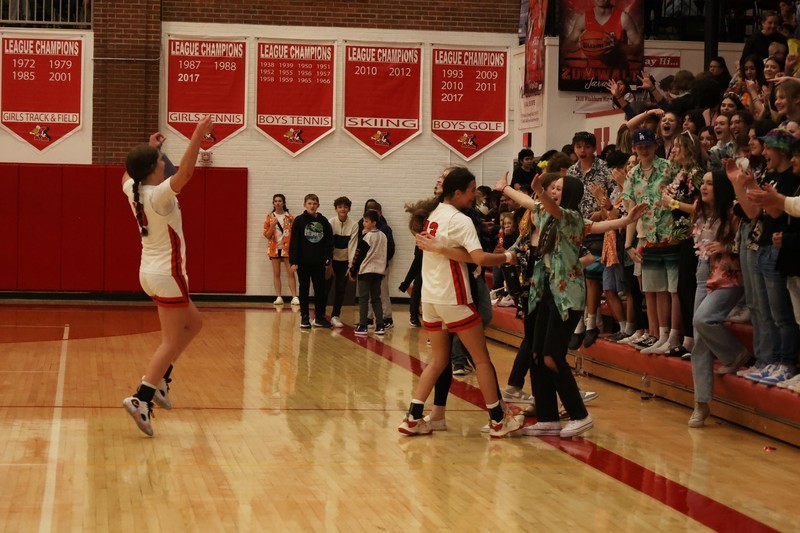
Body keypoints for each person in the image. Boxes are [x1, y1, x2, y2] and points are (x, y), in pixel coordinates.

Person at [493, 172, 647, 438]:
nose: (553, 192)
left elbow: (551, 207)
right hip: (544, 291)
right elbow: (533, 204)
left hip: (567, 296)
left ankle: (580, 415)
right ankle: (548, 419)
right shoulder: (548, 214)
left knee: (552, 356)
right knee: (537, 355)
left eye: (559, 189)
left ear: (570, 195)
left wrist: (539, 190)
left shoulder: (571, 217)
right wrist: (505, 187)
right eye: (552, 188)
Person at [397, 167, 521, 438]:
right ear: (457, 192)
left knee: (438, 360)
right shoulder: (460, 220)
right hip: (453, 297)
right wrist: (508, 257)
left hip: (430, 298)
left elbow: (454, 254)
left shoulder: (432, 214)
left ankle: (413, 417)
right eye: (471, 190)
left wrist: (445, 250)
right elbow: (480, 258)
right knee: (482, 359)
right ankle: (498, 421)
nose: (475, 195)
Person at [120, 116, 214, 436]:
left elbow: (129, 171)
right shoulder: (158, 195)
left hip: (149, 271)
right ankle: (142, 396)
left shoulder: (132, 187)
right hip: (167, 274)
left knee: (195, 324)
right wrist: (197, 135)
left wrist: (151, 148)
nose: (164, 162)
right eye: (160, 160)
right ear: (152, 169)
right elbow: (185, 173)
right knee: (170, 341)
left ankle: (160, 381)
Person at [688, 170, 750, 428]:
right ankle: (701, 404)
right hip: (703, 273)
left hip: (728, 276)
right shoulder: (700, 212)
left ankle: (736, 353)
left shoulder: (734, 213)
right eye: (702, 183)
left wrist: (725, 247)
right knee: (699, 342)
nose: (704, 187)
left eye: (710, 184)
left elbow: (745, 245)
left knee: (702, 320)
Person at [566, 131, 615, 349]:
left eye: (586, 146)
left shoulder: (604, 169)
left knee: (593, 277)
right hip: (576, 229)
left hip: (599, 228)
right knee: (577, 276)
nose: (582, 150)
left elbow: (614, 198)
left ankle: (591, 323)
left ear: (594, 148)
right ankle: (577, 324)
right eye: (578, 146)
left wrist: (602, 212)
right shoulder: (571, 171)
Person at [289, 194, 334, 330]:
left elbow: (329, 241)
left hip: (319, 262)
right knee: (304, 289)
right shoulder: (299, 221)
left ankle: (319, 317)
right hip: (303, 262)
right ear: (305, 205)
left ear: (318, 205)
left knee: (320, 290)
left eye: (314, 203)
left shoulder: (323, 221)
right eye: (309, 203)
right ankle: (305, 317)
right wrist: (293, 261)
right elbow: (294, 242)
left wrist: (328, 257)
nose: (312, 206)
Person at [564, 0, 643, 70]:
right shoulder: (583, 19)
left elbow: (639, 48)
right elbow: (567, 45)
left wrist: (619, 46)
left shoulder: (623, 18)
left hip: (618, 75)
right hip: (592, 75)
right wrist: (581, 45)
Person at [349, 209, 388, 336]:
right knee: (376, 298)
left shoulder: (367, 236)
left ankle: (363, 325)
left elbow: (358, 254)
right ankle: (380, 325)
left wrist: (353, 270)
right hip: (379, 271)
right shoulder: (383, 236)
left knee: (363, 299)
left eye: (366, 221)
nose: (364, 223)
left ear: (374, 222)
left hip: (366, 271)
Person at [327, 196, 358, 328]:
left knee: (340, 289)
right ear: (336, 209)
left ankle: (335, 315)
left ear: (349, 209)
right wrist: (329, 263)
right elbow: (329, 244)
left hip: (344, 263)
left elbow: (352, 246)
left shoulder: (354, 225)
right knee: (325, 288)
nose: (343, 209)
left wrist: (351, 266)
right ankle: (319, 315)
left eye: (345, 207)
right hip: (332, 261)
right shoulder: (330, 223)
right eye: (340, 207)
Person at [263, 194, 299, 306]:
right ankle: (278, 296)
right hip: (274, 248)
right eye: (276, 201)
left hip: (287, 249)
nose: (278, 203)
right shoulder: (270, 217)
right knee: (276, 273)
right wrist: (272, 226)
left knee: (291, 273)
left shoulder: (290, 217)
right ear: (273, 203)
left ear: (284, 203)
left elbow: (295, 235)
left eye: (280, 201)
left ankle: (294, 297)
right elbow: (267, 235)